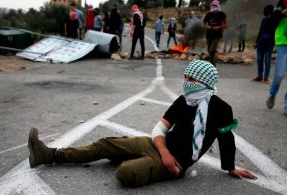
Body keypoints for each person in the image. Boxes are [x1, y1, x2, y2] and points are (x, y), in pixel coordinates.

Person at [28, 60, 258, 187]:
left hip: (176, 164)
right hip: (159, 147)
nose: (186, 82)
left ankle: (138, 162)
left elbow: (226, 138)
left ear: (206, 82)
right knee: (104, 144)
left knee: (125, 174)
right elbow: (159, 129)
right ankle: (50, 155)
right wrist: (163, 152)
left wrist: (229, 167)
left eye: (192, 78)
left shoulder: (221, 109)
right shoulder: (183, 100)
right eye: (185, 77)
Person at [266, 0, 287, 116]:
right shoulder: (283, 1)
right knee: (279, 74)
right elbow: (271, 20)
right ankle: (273, 94)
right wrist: (283, 11)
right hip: (283, 41)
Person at [252, 4, 275, 84]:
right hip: (261, 43)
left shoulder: (274, 20)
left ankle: (266, 78)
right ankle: (259, 76)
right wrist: (256, 42)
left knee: (267, 61)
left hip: (269, 43)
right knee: (259, 60)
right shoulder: (264, 20)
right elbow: (260, 31)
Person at [202, 0, 227, 66]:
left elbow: (225, 25)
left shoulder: (222, 14)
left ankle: (213, 66)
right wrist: (208, 27)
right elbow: (203, 24)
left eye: (215, 5)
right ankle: (213, 64)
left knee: (211, 50)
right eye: (212, 5)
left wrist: (219, 27)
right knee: (209, 51)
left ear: (218, 6)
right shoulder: (208, 14)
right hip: (209, 35)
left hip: (217, 35)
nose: (213, 6)